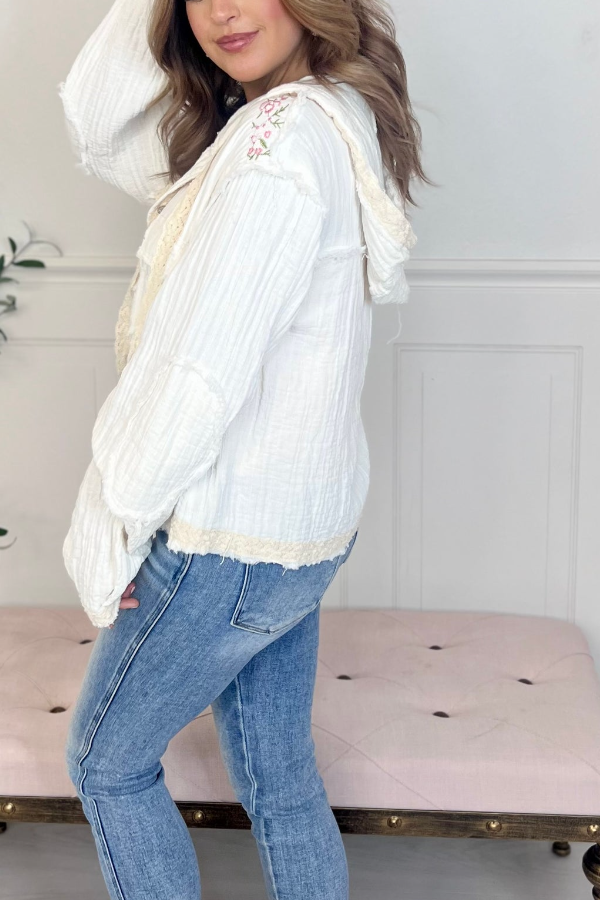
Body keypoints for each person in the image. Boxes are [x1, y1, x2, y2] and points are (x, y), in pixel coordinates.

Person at [58, 0, 428, 896]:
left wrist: (114, 519)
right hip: (297, 539)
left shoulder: (273, 149)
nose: (222, 11)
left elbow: (196, 371)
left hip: (222, 543)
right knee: (280, 778)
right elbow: (96, 125)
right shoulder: (326, 117)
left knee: (106, 765)